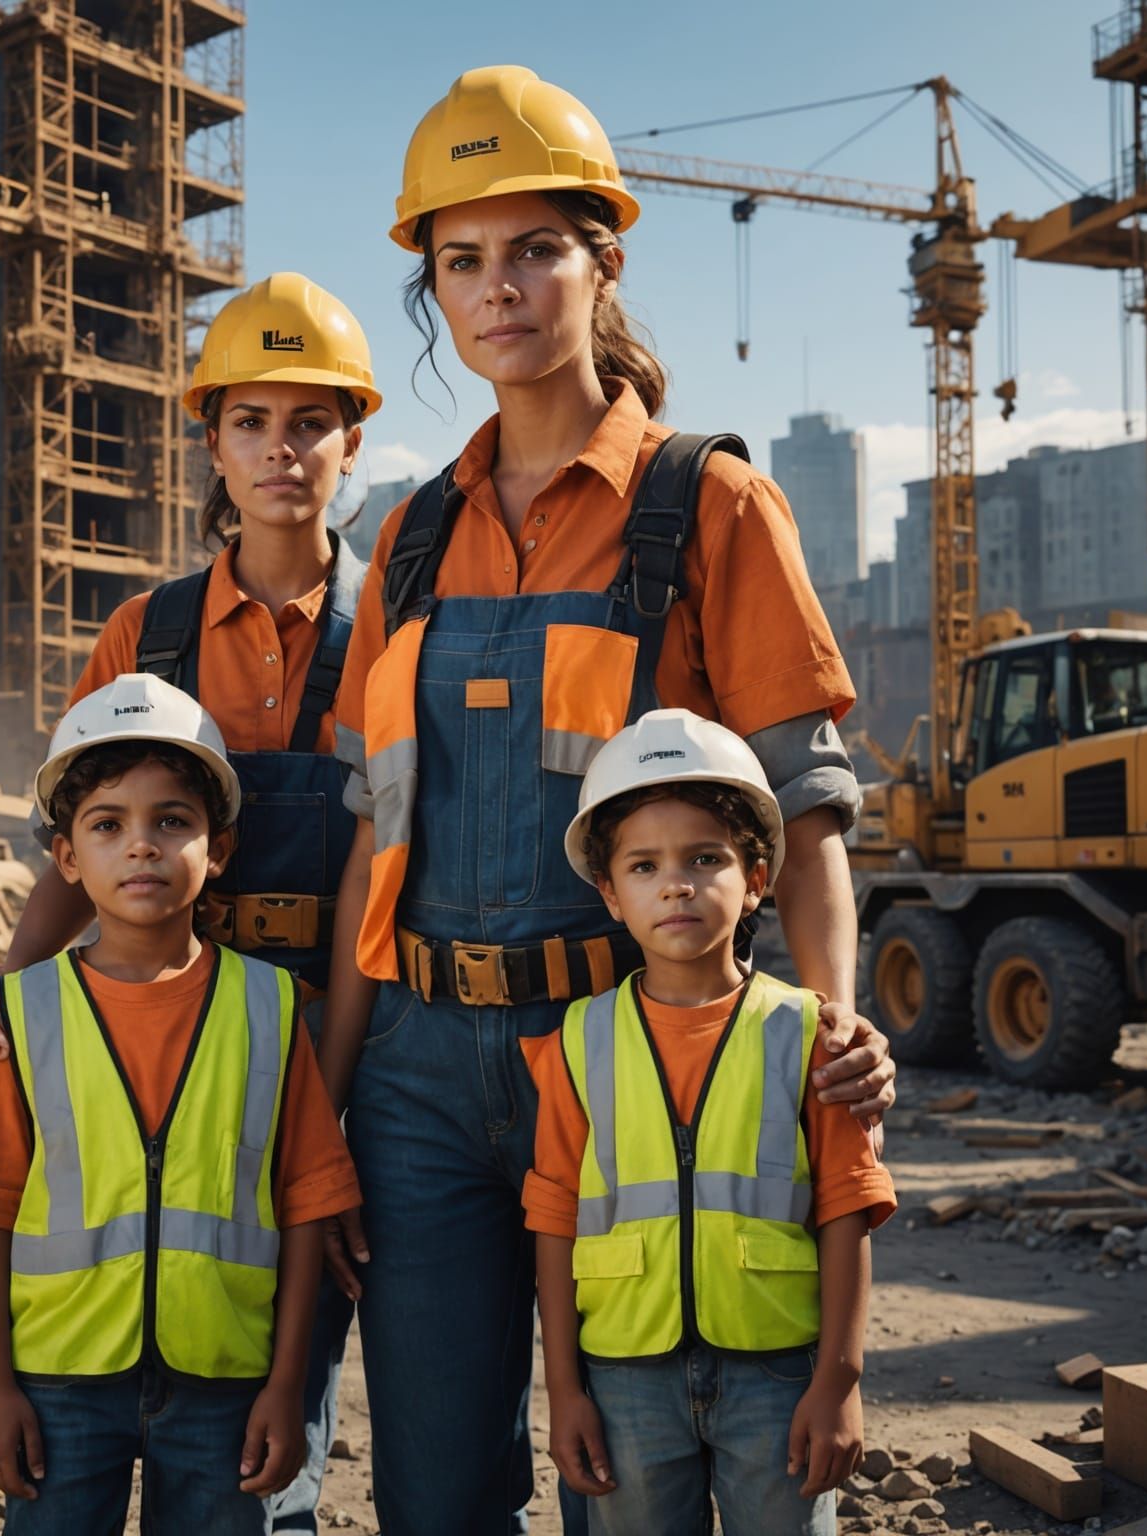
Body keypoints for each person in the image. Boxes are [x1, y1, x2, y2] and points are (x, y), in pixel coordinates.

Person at [312, 67, 898, 1533]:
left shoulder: (707, 504)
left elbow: (807, 809)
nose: (496, 289)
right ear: (433, 285)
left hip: (646, 1060)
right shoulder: (410, 535)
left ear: (602, 259)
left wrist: (830, 1032)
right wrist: (330, 1092)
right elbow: (372, 836)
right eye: (461, 260)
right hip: (420, 1074)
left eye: (533, 250)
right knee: (436, 1494)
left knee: (632, 1482)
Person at [0, 273, 379, 1530]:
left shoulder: (398, 630)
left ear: (354, 439)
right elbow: (74, 853)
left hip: (312, 1039)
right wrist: (3, 995)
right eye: (253, 421)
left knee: (275, 1391)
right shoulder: (149, 632)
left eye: (312, 420)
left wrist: (333, 1094)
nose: (282, 450)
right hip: (155, 1011)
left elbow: (374, 886)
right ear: (213, 442)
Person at [0, 673, 360, 1534]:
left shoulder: (272, 1009)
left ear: (221, 849)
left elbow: (305, 1206)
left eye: (173, 821)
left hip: (224, 1386)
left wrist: (285, 1386)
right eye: (107, 825)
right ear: (65, 858)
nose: (142, 847)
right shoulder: (25, 1015)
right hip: (59, 1385)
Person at [526, 709, 895, 1534]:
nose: (678, 884)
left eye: (705, 858)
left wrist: (839, 1381)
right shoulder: (578, 1045)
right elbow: (553, 1221)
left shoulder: (807, 1035)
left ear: (758, 877)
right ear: (610, 894)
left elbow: (848, 1207)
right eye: (645, 865)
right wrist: (566, 1390)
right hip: (625, 1379)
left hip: (777, 1377)